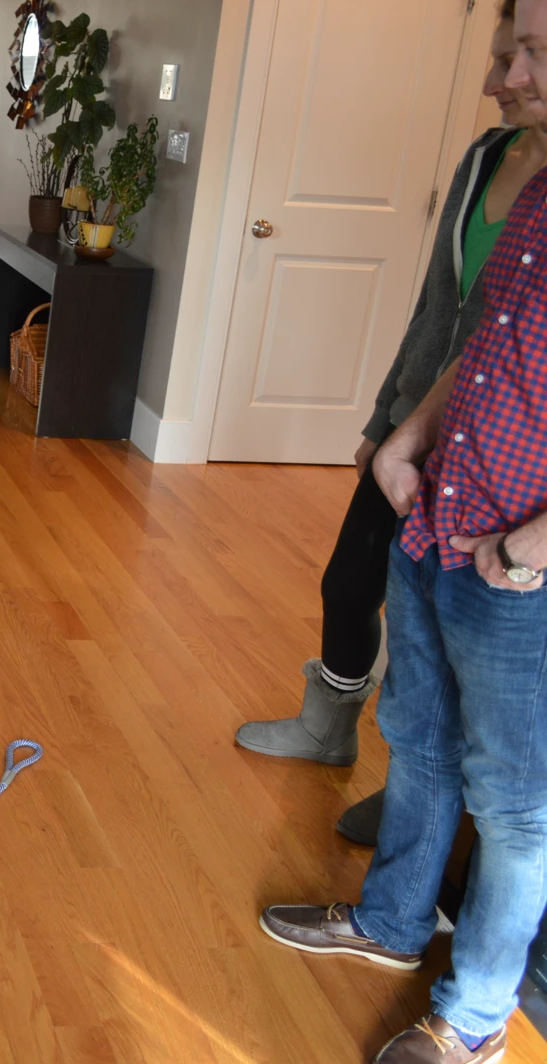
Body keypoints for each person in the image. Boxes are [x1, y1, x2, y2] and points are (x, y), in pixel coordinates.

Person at [258, 0, 547, 1058]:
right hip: (438, 510)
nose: (500, 77)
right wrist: (403, 434)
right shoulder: (525, 186)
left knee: (515, 807)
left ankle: (473, 1022)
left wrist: (531, 546)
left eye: (530, 56)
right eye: (504, 48)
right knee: (416, 740)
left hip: (516, 561)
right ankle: (388, 922)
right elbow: (477, 340)